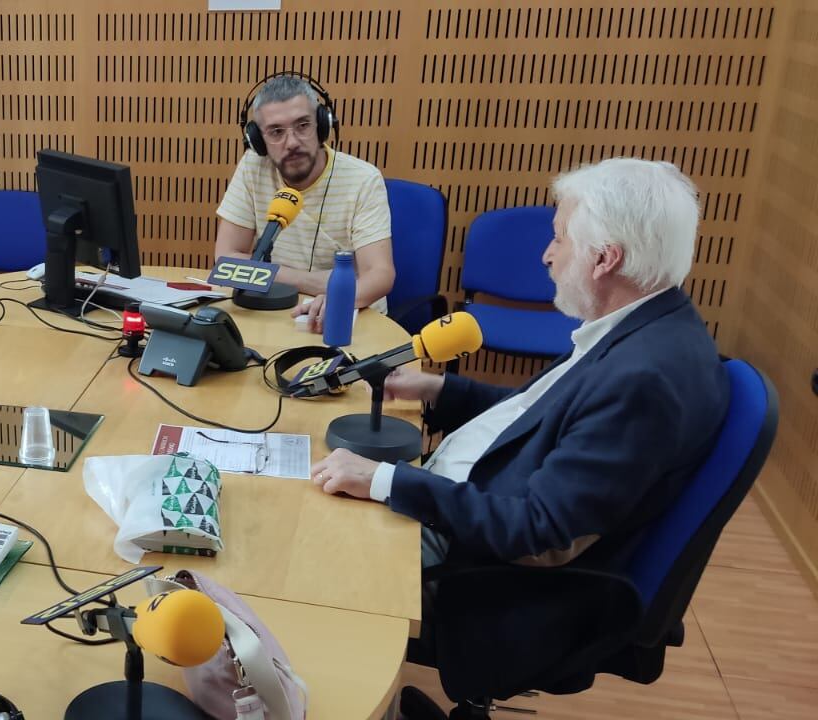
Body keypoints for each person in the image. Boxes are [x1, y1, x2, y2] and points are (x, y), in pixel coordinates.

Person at [309, 157, 730, 573]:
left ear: (605, 260)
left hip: (466, 557)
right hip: (456, 499)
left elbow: (537, 530)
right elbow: (540, 413)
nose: (548, 256)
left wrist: (385, 481)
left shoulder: (644, 380)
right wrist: (436, 390)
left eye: (560, 240)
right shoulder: (646, 324)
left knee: (302, 547)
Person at [215, 73, 395, 329]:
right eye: (276, 132)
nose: (292, 143)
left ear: (322, 125)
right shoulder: (253, 167)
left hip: (347, 315)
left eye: (302, 125)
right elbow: (226, 261)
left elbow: (380, 275)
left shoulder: (363, 179)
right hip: (277, 317)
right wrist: (316, 281)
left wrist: (336, 295)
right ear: (258, 140)